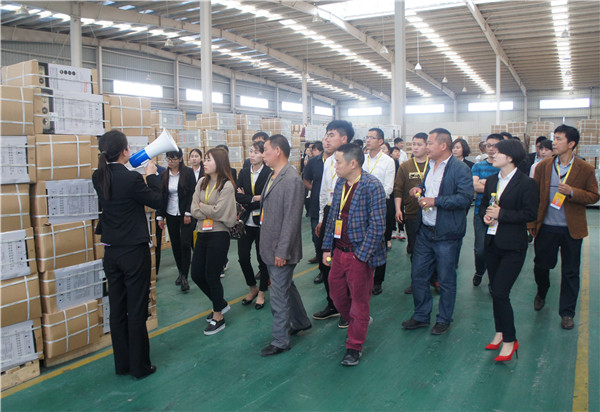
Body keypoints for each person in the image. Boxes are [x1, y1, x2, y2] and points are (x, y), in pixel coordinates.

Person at [92, 130, 161, 379]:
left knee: (118, 308)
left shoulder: (98, 176)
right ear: (124, 151)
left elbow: (117, 180)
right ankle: (140, 366)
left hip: (111, 252)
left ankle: (122, 364)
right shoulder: (131, 179)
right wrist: (151, 176)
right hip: (133, 252)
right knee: (136, 308)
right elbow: (157, 201)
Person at [401, 128, 473, 335]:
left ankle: (444, 319)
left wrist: (436, 201)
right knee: (418, 275)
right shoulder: (430, 165)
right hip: (425, 231)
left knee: (446, 280)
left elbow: (465, 198)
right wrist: (419, 189)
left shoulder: (460, 169)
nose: (426, 147)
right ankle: (421, 315)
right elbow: (429, 187)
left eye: (429, 143)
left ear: (443, 145)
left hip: (447, 234)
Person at [529, 125, 599, 329]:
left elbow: (594, 196)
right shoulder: (543, 166)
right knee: (541, 265)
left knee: (570, 272)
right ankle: (542, 291)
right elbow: (534, 197)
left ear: (571, 144)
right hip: (546, 227)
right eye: (554, 138)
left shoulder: (585, 169)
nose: (554, 142)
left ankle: (567, 313)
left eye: (559, 139)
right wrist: (532, 223)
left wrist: (572, 192)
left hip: (571, 229)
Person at [322, 144, 386, 366]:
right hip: (339, 252)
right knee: (337, 294)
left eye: (338, 162)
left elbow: (377, 226)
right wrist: (327, 248)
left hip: (359, 254)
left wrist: (361, 256)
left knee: (359, 302)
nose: (335, 166)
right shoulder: (341, 183)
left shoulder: (372, 186)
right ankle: (359, 320)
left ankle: (354, 346)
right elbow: (333, 218)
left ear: (353, 163)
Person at [480, 139, 538, 362]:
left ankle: (510, 340)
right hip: (493, 242)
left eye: (498, 152)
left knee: (501, 292)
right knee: (496, 290)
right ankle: (500, 331)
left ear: (510, 157)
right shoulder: (492, 180)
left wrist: (501, 215)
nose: (492, 154)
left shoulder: (526, 183)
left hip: (513, 246)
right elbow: (484, 207)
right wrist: (487, 217)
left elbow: (530, 214)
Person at [259, 134, 312, 356]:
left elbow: (291, 219)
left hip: (281, 249)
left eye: (265, 150)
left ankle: (281, 340)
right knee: (287, 286)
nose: (263, 154)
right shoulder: (273, 175)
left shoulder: (291, 180)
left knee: (278, 294)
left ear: (278, 151)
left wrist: (282, 251)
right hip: (270, 244)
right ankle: (301, 321)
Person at [190, 148, 237, 336]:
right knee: (196, 274)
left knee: (212, 275)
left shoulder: (227, 186)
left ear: (219, 162)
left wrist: (203, 207)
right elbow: (194, 209)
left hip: (219, 234)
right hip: (202, 232)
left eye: (208, 159)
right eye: (205, 159)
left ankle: (218, 316)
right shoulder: (201, 182)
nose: (204, 163)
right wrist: (208, 209)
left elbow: (220, 212)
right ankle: (221, 303)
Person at [314, 120, 355, 327]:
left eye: (331, 135)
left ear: (344, 138)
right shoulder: (328, 161)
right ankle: (333, 304)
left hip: (348, 214)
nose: (326, 139)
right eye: (326, 135)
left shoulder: (356, 161)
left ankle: (349, 309)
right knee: (326, 261)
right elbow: (323, 192)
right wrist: (322, 218)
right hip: (330, 213)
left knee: (347, 264)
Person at [236, 141, 271, 310]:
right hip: (246, 221)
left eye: (256, 152)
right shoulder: (243, 172)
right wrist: (256, 197)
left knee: (262, 258)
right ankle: (252, 287)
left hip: (263, 221)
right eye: (250, 151)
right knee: (242, 257)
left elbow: (268, 197)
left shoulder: (269, 173)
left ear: (263, 155)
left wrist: (248, 198)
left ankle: (262, 291)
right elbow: (237, 196)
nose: (252, 155)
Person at [157, 148, 197, 292]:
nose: (170, 162)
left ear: (180, 159)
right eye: (168, 159)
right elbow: (162, 195)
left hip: (185, 213)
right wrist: (160, 216)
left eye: (173, 159)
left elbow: (192, 193)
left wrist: (188, 213)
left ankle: (185, 276)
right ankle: (180, 271)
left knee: (185, 243)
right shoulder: (164, 174)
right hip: (170, 213)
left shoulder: (188, 173)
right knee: (175, 243)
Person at [394, 132, 429, 294]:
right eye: (413, 144)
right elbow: (398, 189)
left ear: (427, 146)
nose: (415, 147)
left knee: (432, 249)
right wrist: (398, 209)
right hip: (412, 214)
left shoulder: (433, 165)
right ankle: (416, 282)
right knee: (415, 250)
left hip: (432, 214)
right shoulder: (405, 166)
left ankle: (434, 278)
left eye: (419, 144)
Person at [363, 128, 396, 295]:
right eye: (367, 137)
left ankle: (378, 281)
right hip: (361, 207)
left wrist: (372, 198)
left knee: (379, 243)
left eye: (372, 137)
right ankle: (364, 278)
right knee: (363, 241)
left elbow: (388, 187)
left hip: (379, 206)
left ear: (381, 141)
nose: (368, 140)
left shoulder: (388, 161)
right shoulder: (362, 159)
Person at [471, 134, 503, 289]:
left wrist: (485, 183)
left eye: (495, 146)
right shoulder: (478, 166)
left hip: (500, 214)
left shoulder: (503, 166)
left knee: (496, 249)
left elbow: (505, 189)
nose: (491, 149)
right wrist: (492, 185)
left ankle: (493, 280)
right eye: (488, 145)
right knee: (480, 249)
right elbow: (475, 187)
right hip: (480, 212)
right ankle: (479, 271)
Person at [303, 140, 326, 267]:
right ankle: (319, 259)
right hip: (316, 205)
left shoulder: (338, 161)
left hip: (333, 206)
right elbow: (306, 180)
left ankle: (327, 266)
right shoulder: (313, 162)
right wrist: (317, 190)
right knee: (316, 236)